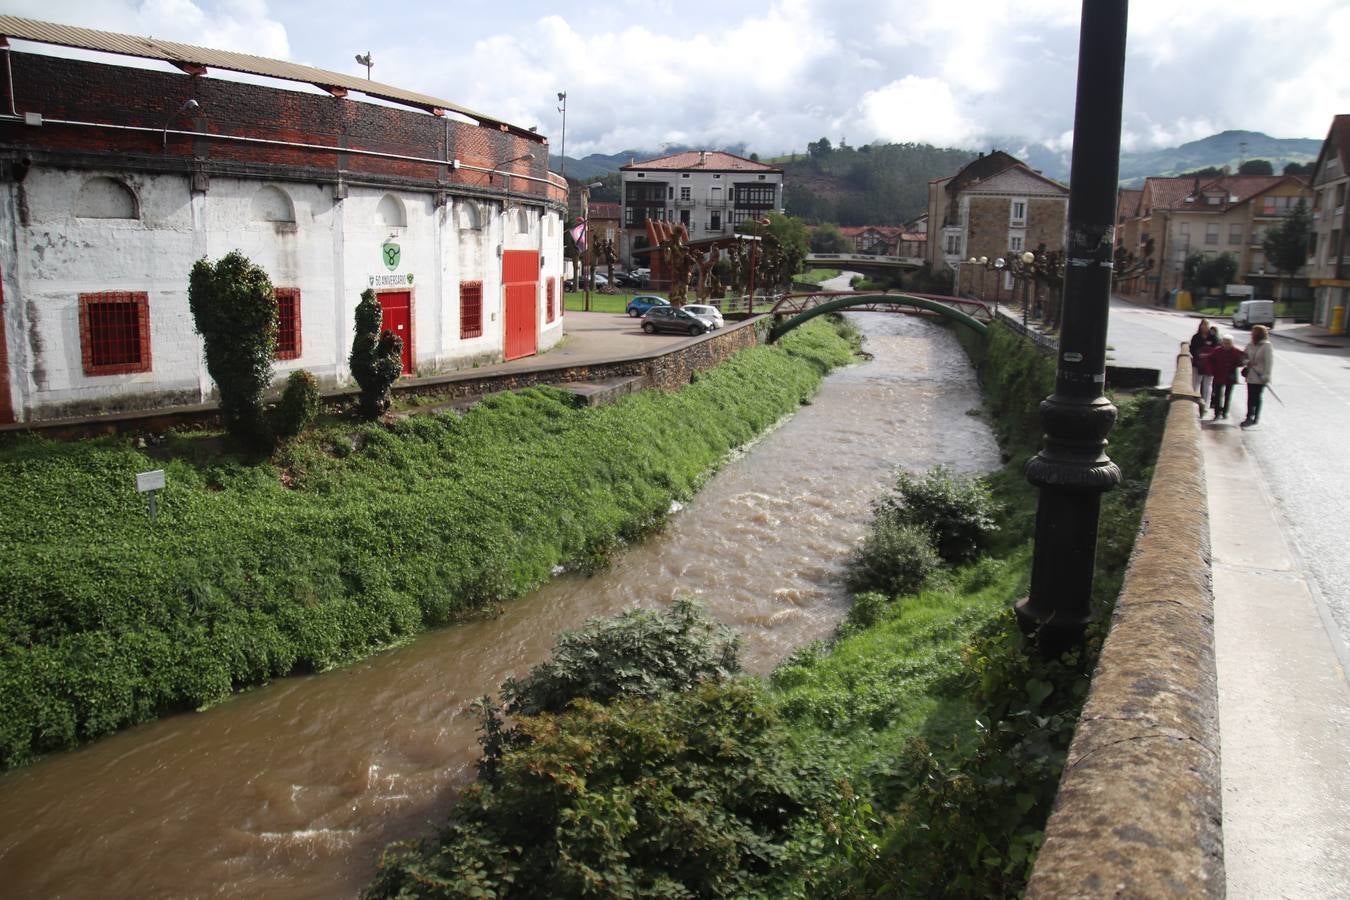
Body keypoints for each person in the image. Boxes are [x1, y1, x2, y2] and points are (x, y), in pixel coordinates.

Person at [1240, 324, 1274, 428]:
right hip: (1251, 375)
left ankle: (1256, 417)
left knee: (1257, 397)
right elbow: (1243, 356)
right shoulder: (1250, 344)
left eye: (1253, 332)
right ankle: (1249, 416)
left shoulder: (1267, 345)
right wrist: (1247, 362)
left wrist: (1266, 376)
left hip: (1260, 376)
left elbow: (1269, 362)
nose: (1251, 334)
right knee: (1250, 397)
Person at [1207, 334, 1244, 420]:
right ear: (1222, 343)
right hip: (1219, 375)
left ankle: (1225, 412)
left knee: (1228, 395)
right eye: (1225, 343)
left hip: (1230, 376)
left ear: (1232, 343)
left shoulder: (1236, 351)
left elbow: (1241, 362)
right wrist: (1211, 371)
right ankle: (1217, 413)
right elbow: (1210, 360)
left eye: (1229, 343)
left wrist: (1239, 362)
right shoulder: (1217, 351)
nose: (1227, 345)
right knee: (1218, 395)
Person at [1189, 319, 1218, 408]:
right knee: (1195, 383)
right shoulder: (1196, 337)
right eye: (1203, 325)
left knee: (1207, 385)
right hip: (1197, 363)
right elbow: (1192, 348)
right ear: (1200, 326)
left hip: (1209, 364)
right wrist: (1198, 355)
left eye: (1206, 325)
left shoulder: (1213, 337)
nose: (1205, 327)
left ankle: (1205, 405)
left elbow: (1217, 349)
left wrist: (1207, 355)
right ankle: (1193, 403)